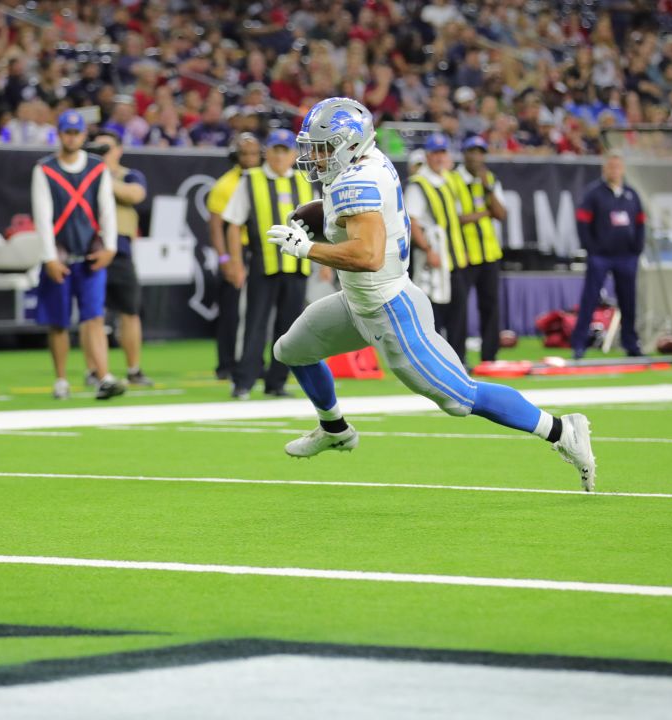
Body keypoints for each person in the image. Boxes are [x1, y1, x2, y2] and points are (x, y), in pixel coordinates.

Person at [266, 97, 596, 491]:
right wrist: (312, 214)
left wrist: (306, 248)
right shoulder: (363, 164)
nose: (314, 158)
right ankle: (334, 429)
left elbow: (367, 255)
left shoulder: (358, 180)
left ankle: (562, 430)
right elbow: (344, 212)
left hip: (390, 310)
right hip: (358, 304)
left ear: (349, 144)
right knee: (292, 351)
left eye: (322, 148)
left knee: (460, 398)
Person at [31, 110, 124, 400]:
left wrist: (110, 247)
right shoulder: (45, 169)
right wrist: (49, 257)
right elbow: (42, 215)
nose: (72, 137)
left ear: (84, 135)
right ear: (59, 134)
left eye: (76, 132)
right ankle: (61, 379)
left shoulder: (97, 168)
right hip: (60, 254)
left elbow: (107, 209)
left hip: (90, 253)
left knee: (94, 317)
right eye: (67, 132)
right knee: (58, 322)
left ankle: (103, 375)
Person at [223, 129, 314, 400]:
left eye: (284, 150)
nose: (279, 155)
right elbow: (233, 223)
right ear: (267, 152)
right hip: (264, 263)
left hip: (298, 265)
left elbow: (321, 224)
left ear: (294, 155)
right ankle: (244, 381)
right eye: (275, 149)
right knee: (255, 324)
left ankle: (277, 381)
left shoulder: (305, 182)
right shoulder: (251, 179)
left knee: (289, 327)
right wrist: (236, 262)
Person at [86, 130, 154, 387]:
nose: (102, 154)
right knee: (91, 313)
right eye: (97, 149)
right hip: (93, 246)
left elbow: (135, 195)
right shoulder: (84, 176)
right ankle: (94, 370)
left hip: (121, 248)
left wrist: (100, 176)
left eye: (107, 149)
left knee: (129, 310)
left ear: (118, 150)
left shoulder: (129, 175)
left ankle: (133, 369)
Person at [571, 150, 647, 359]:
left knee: (629, 301)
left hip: (626, 256)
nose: (614, 170)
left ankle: (631, 343)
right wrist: (592, 248)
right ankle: (579, 344)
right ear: (604, 169)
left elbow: (641, 223)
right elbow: (583, 222)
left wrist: (636, 249)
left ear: (622, 169)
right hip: (601, 256)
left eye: (617, 166)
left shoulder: (631, 194)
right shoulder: (594, 193)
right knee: (590, 299)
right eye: (610, 166)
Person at [406, 132, 471, 366]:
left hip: (452, 257)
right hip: (433, 259)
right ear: (428, 156)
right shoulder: (419, 184)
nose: (440, 158)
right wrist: (428, 249)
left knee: (458, 311)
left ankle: (458, 360)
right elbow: (413, 222)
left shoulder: (446, 181)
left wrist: (460, 249)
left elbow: (454, 219)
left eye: (443, 153)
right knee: (434, 311)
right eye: (436, 153)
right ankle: (434, 361)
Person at [446, 135, 508, 364]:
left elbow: (501, 214)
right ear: (464, 154)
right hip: (464, 255)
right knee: (459, 309)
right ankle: (458, 359)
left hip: (490, 254)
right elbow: (455, 218)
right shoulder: (452, 180)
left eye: (481, 152)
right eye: (472, 151)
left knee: (491, 307)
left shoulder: (490, 179)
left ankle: (489, 358)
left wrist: (488, 188)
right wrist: (485, 212)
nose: (477, 157)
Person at [206, 133, 262, 380]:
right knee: (231, 312)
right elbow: (216, 226)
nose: (250, 159)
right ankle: (227, 365)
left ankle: (253, 362)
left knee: (257, 311)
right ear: (235, 156)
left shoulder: (264, 181)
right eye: (245, 154)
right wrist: (225, 259)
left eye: (253, 154)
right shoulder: (225, 184)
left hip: (260, 250)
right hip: (236, 250)